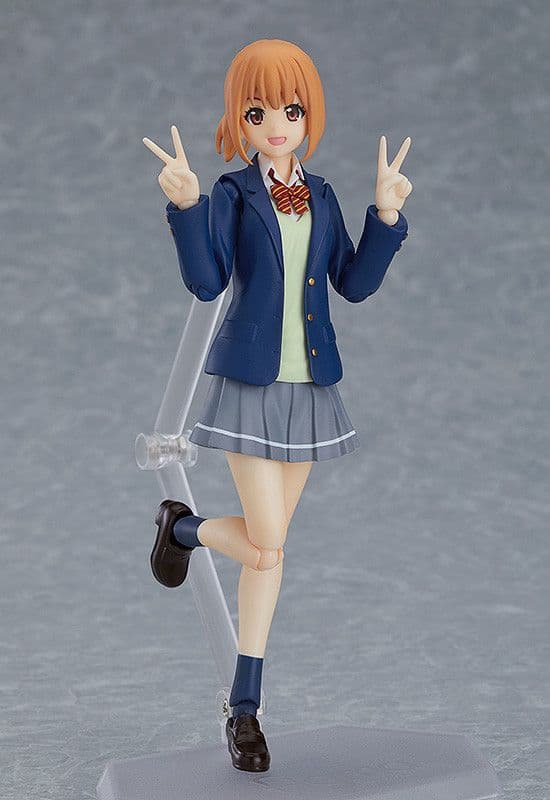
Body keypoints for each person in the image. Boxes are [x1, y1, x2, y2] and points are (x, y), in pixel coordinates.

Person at [143, 37, 412, 773]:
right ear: (241, 117)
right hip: (248, 384)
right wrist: (188, 206)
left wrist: (386, 217)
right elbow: (207, 283)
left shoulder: (321, 195)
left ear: (308, 115)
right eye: (259, 110)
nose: (277, 124)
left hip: (310, 386)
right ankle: (185, 534)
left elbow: (353, 283)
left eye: (291, 109)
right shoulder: (234, 194)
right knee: (264, 544)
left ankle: (243, 702)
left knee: (271, 554)